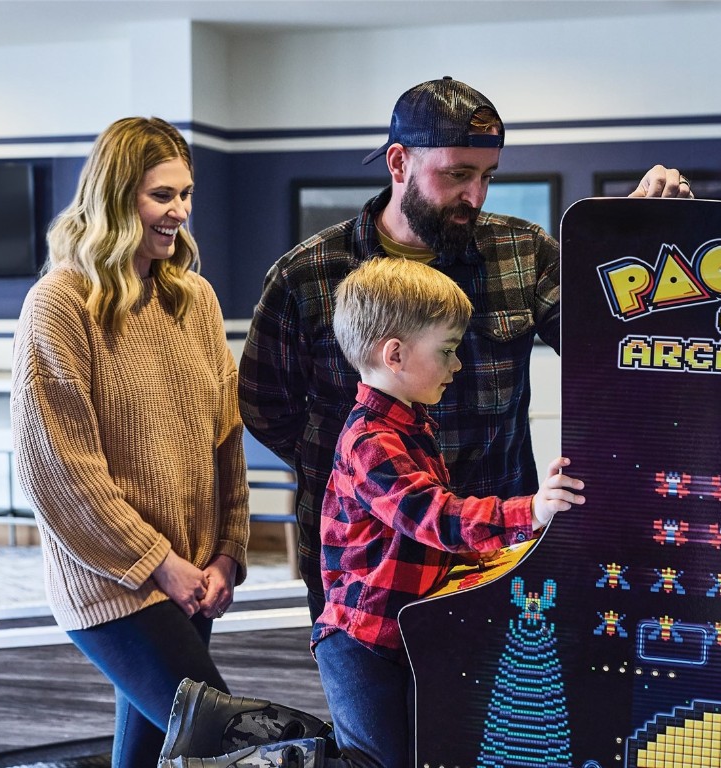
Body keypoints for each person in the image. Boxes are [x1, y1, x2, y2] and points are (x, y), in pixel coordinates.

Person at [238, 76, 692, 621]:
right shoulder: (307, 274)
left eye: (486, 176)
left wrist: (639, 241)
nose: (475, 196)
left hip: (497, 552)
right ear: (399, 161)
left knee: (498, 703)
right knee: (375, 703)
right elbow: (266, 407)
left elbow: (605, 348)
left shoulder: (521, 251)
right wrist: (367, 471)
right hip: (368, 565)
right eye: (457, 175)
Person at [155, 258, 585, 768]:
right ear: (395, 354)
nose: (457, 366)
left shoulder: (410, 426)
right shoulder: (371, 441)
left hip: (398, 631)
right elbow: (434, 517)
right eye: (446, 350)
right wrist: (529, 510)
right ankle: (226, 743)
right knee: (369, 764)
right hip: (361, 641)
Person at [11, 116, 263, 768]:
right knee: (234, 747)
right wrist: (160, 563)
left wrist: (227, 553)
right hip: (111, 583)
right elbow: (59, 471)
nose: (178, 211)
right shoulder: (59, 303)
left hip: (193, 576)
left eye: (185, 194)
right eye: (161, 195)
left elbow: (223, 438)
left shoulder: (194, 298)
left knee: (151, 756)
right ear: (116, 197)